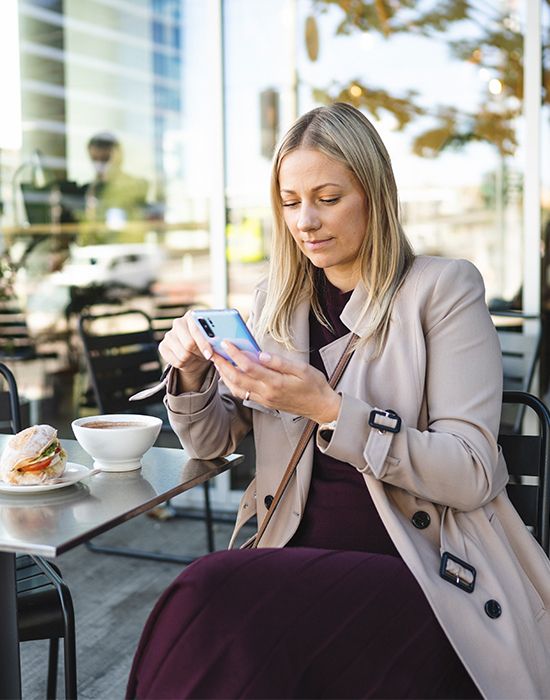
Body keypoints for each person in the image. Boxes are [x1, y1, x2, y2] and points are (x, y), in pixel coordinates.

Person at [126, 103, 550, 699]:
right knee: (211, 609)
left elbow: (474, 472)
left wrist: (332, 411)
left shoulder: (442, 289)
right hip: (288, 552)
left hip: (417, 571)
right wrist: (192, 378)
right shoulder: (277, 299)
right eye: (291, 201)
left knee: (206, 591)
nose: (306, 221)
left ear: (374, 196)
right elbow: (212, 442)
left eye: (328, 198)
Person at [81, 131, 149, 225]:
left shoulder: (137, 185)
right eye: (95, 159)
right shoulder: (90, 189)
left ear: (118, 155)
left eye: (105, 159)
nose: (100, 165)